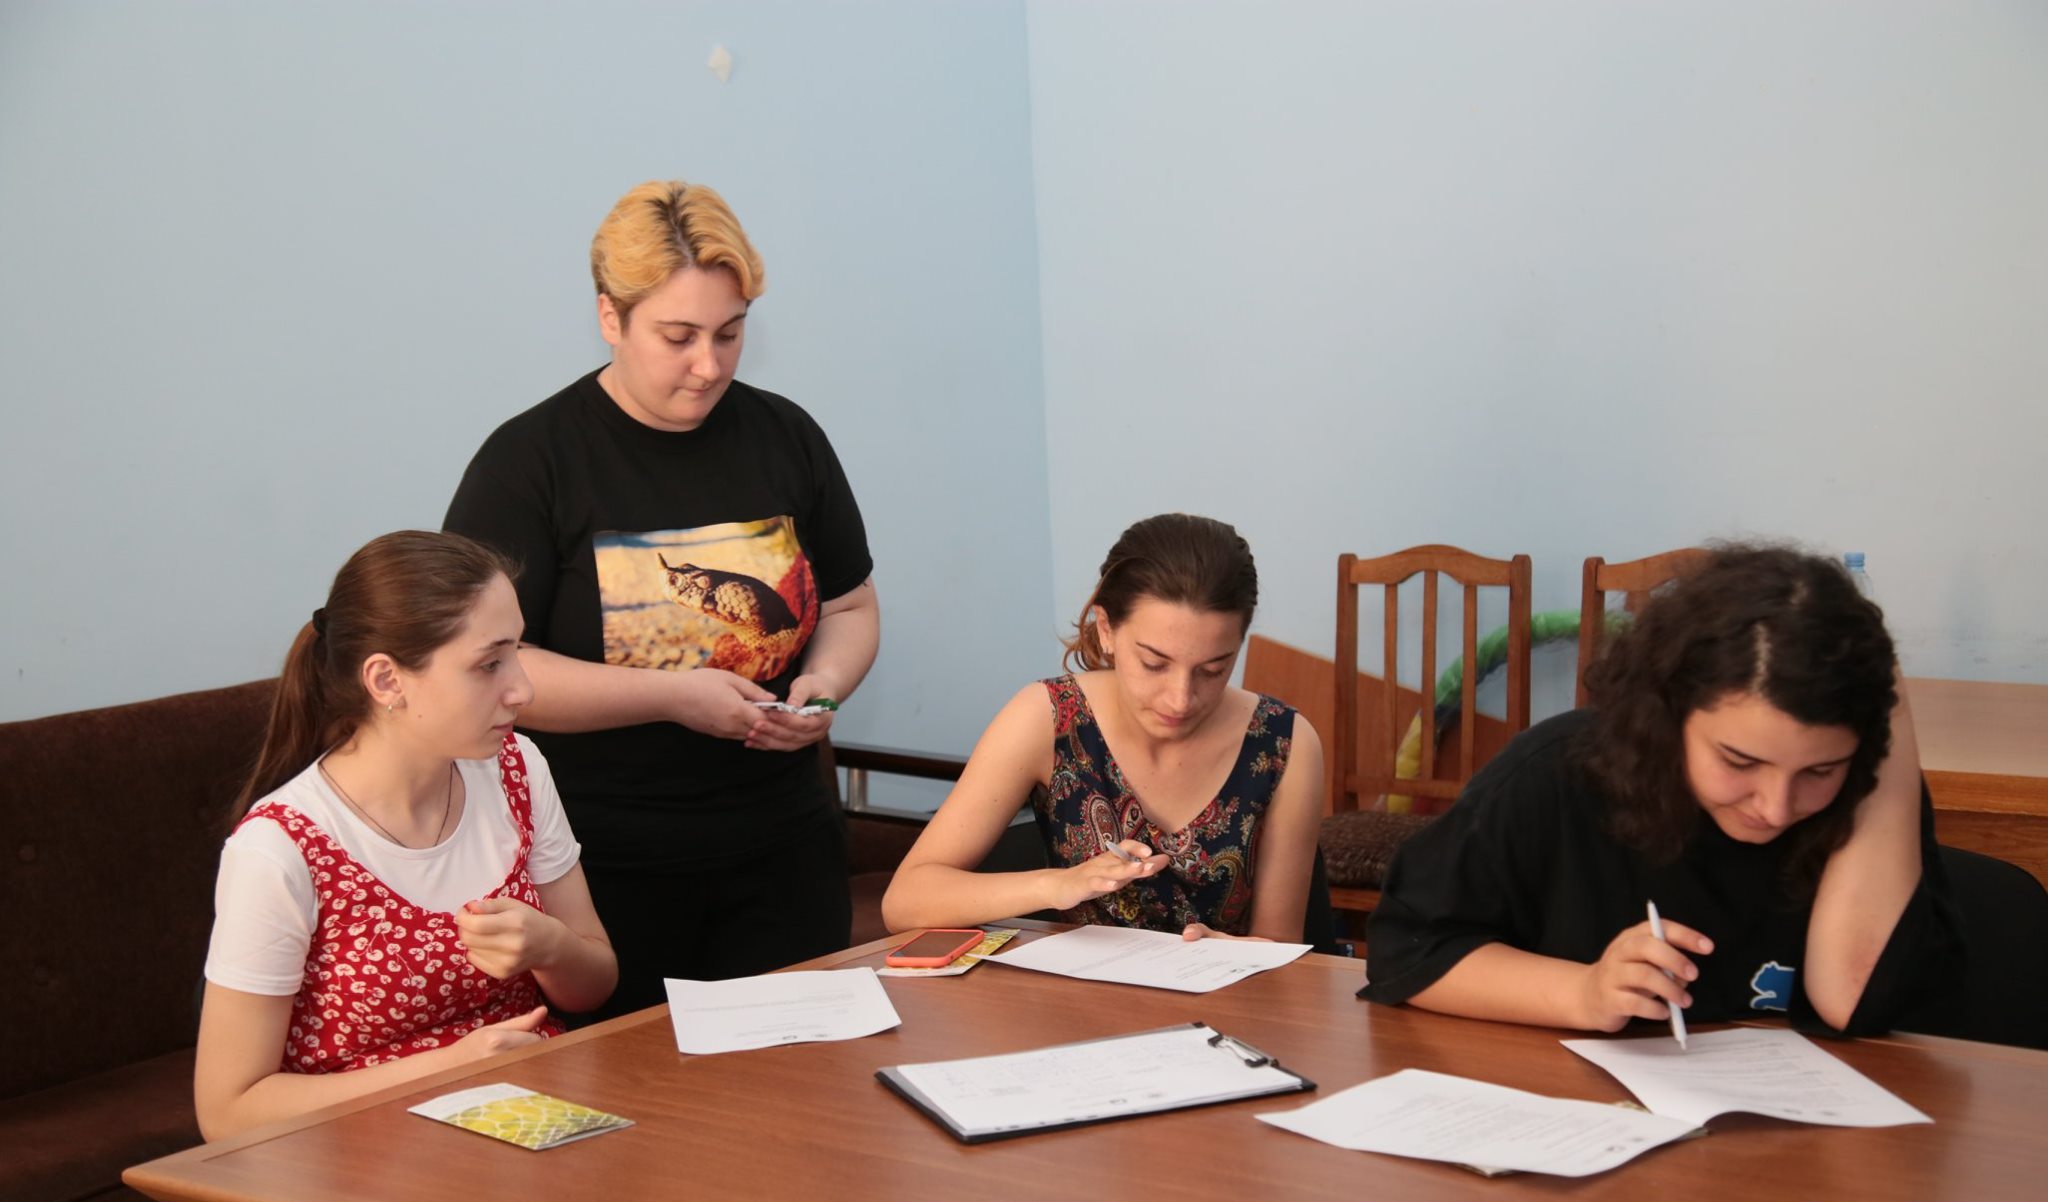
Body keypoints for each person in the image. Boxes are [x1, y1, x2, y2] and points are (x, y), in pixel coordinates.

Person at [195, 531, 770, 1202]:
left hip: (544, 1133)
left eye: (518, 653)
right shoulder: (279, 849)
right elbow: (228, 1110)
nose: (522, 688)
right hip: (375, 1178)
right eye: (489, 663)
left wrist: (549, 943)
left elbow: (592, 983)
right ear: (387, 680)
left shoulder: (516, 769)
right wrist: (449, 1067)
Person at [444, 179, 878, 1013]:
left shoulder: (787, 436)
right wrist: (672, 696)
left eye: (730, 333)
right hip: (602, 867)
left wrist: (821, 689)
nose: (709, 365)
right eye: (678, 337)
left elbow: (851, 607)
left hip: (783, 853)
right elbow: (490, 664)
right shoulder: (530, 463)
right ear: (611, 318)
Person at [1361, 544, 1961, 1036]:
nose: (1776, 807)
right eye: (1739, 761)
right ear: (1668, 714)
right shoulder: (1557, 775)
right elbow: (1410, 951)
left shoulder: (1863, 789)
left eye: (1818, 772)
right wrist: (1584, 992)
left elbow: (1854, 997)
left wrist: (1886, 703)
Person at [882, 513, 1325, 941]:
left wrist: (1235, 954)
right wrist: (1057, 885)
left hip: (1231, 992)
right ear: (1107, 629)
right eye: (1154, 663)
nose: (1180, 698)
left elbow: (1280, 946)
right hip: (1078, 992)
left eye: (1213, 669)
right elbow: (906, 900)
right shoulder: (1050, 717)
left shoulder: (1283, 743)